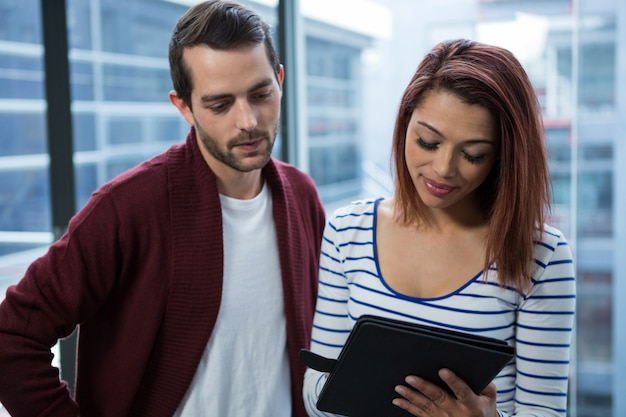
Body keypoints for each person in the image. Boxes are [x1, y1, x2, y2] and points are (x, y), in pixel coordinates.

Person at [0, 1, 325, 416]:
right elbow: (11, 336)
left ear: (280, 81)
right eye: (220, 104)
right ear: (184, 107)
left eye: (260, 94)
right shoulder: (127, 208)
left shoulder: (302, 196)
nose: (248, 120)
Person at [303, 38, 576, 417]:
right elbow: (316, 396)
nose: (444, 169)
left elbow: (544, 411)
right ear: (404, 124)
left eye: (473, 154)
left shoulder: (542, 256)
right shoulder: (346, 233)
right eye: (428, 142)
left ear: (503, 155)